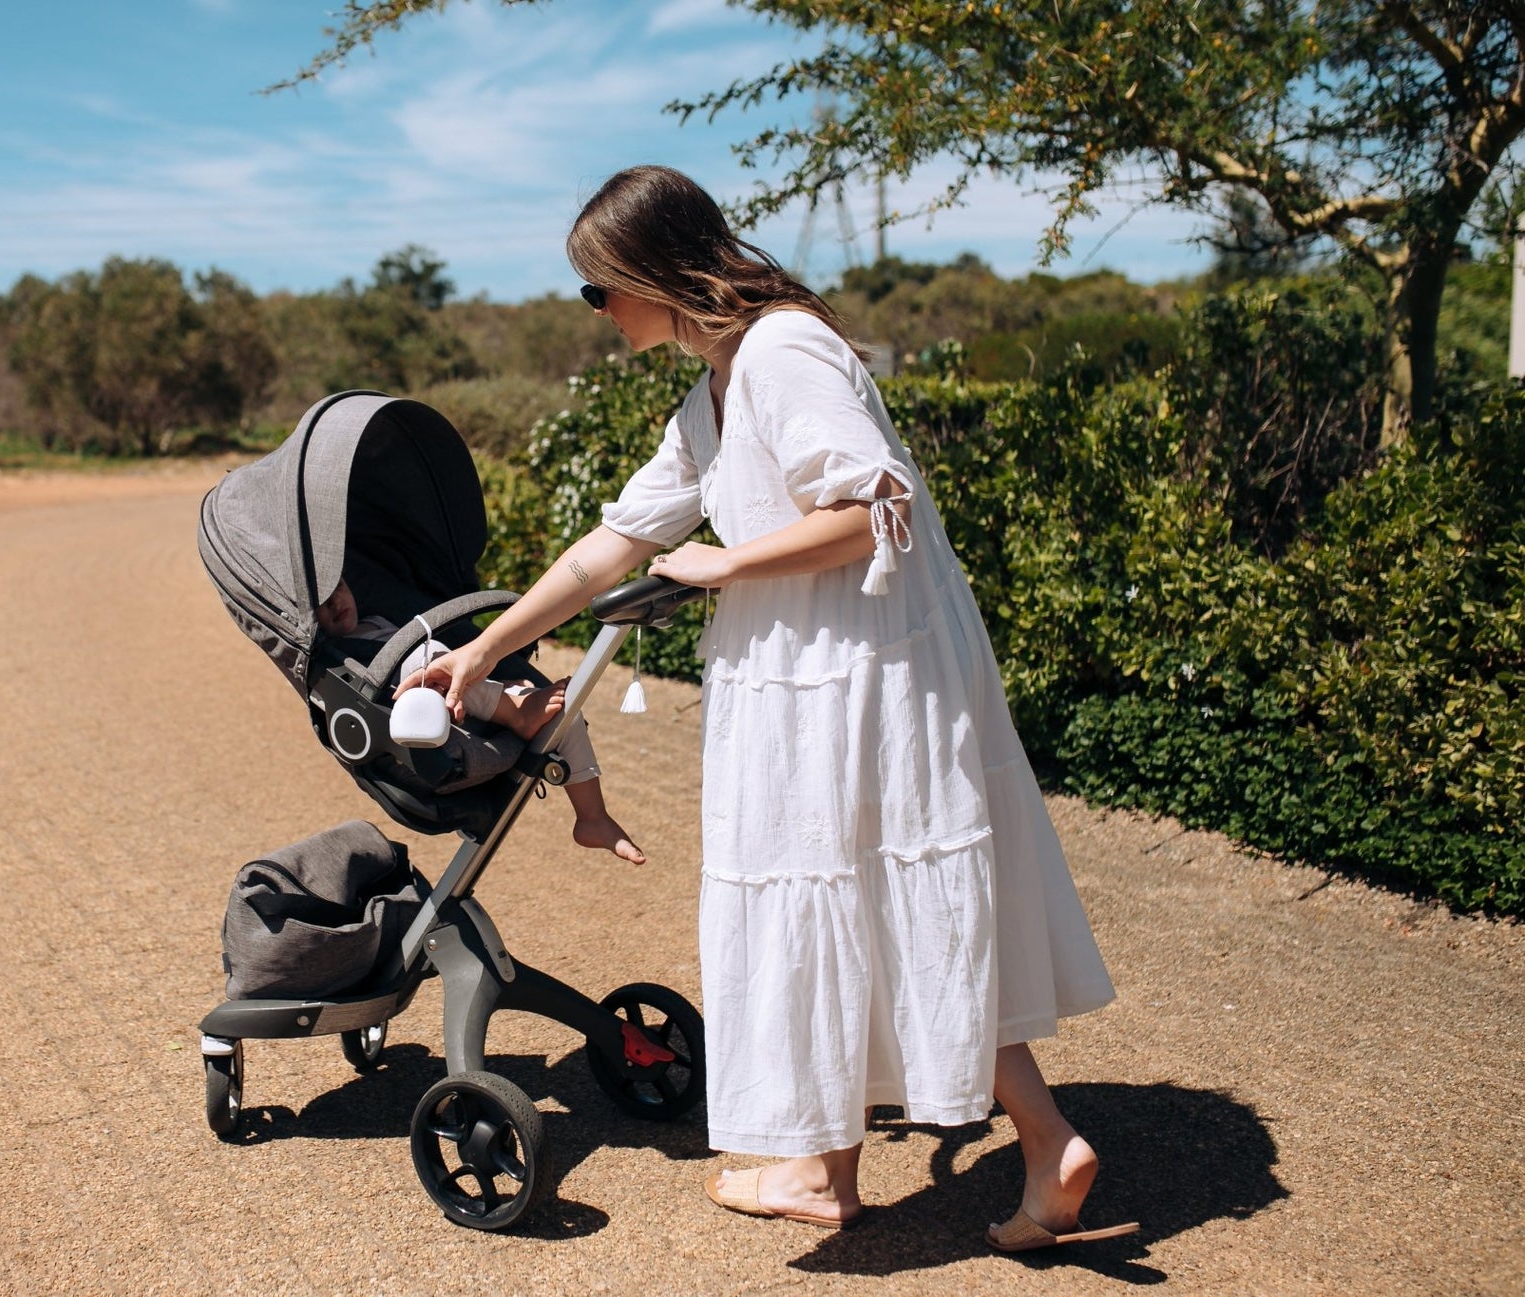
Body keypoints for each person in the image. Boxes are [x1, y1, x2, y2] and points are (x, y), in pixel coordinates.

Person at [399, 165, 1136, 1252]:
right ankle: (871, 1162)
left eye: (599, 289)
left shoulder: (783, 349)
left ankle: (1005, 1141)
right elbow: (615, 541)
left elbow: (872, 503)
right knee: (856, 911)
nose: (596, 314)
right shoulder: (715, 387)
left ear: (651, 272)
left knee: (848, 902)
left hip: (849, 677)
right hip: (812, 674)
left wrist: (723, 563)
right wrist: (479, 652)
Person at [318, 577, 646, 865]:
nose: (336, 602)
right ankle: (515, 711)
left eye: (340, 588)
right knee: (424, 658)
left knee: (562, 711)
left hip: (464, 693)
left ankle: (592, 816)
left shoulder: (379, 619)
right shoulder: (338, 656)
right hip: (420, 706)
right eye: (322, 602)